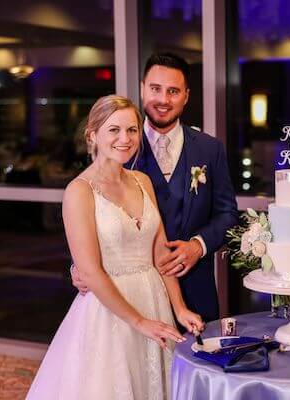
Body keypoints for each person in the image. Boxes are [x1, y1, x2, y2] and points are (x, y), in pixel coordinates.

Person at [27, 95, 203, 400]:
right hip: (109, 310)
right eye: (114, 130)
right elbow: (90, 272)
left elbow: (160, 253)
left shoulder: (143, 181)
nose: (125, 139)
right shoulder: (79, 191)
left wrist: (178, 308)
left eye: (132, 130)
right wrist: (139, 322)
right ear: (93, 135)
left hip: (153, 299)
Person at [73, 53, 238, 323]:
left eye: (173, 91)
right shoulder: (117, 145)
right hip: (128, 294)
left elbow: (228, 214)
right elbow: (86, 210)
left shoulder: (210, 149)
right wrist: (77, 266)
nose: (163, 99)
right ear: (142, 88)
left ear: (186, 95)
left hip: (195, 285)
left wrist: (198, 246)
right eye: (155, 89)